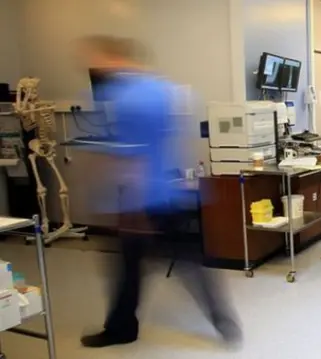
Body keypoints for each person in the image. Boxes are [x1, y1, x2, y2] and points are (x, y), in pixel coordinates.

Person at [76, 35, 242, 348]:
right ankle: (223, 320)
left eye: (96, 60)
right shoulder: (161, 90)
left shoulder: (126, 99)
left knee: (132, 265)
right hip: (169, 188)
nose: (93, 68)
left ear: (112, 59)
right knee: (181, 263)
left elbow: (132, 155)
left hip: (144, 198)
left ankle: (122, 328)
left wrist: (131, 209)